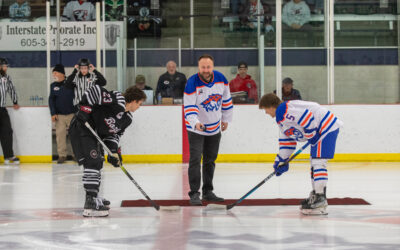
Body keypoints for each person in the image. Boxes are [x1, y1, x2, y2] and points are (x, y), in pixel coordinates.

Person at [259, 93, 342, 215]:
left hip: (325, 127)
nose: (266, 113)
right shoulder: (281, 120)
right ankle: (316, 194)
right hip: (320, 129)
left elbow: (306, 117)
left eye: (265, 109)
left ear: (271, 106)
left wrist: (311, 133)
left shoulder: (283, 110)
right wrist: (281, 160)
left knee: (318, 162)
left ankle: (320, 198)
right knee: (315, 163)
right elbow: (287, 142)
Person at [69, 85, 146, 217]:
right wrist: (85, 109)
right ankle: (90, 200)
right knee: (93, 162)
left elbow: (114, 135)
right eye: (139, 103)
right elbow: (95, 90)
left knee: (98, 163)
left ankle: (94, 196)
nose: (139, 107)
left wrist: (113, 152)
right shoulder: (117, 99)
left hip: (95, 135)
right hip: (83, 126)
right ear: (133, 100)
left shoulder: (127, 119)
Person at [183, 54, 233, 205]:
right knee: (195, 160)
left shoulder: (221, 79)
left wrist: (226, 119)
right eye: (203, 67)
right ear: (199, 67)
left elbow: (226, 100)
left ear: (213, 66)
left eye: (208, 67)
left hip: (214, 127)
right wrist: (195, 122)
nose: (206, 70)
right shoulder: (192, 83)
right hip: (196, 129)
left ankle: (208, 191)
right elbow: (189, 106)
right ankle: (194, 193)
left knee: (210, 160)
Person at [48, 64, 76, 164]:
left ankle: (76, 155)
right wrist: (53, 113)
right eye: (53, 73)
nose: (54, 75)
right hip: (59, 116)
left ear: (61, 73)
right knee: (60, 136)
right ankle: (62, 156)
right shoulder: (53, 86)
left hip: (72, 114)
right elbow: (51, 100)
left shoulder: (71, 83)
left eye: (55, 73)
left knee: (74, 135)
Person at [0, 58, 20, 165]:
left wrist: (15, 101)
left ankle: (8, 156)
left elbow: (11, 89)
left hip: (2, 109)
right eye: (4, 66)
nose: (6, 68)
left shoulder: (6, 77)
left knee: (7, 132)